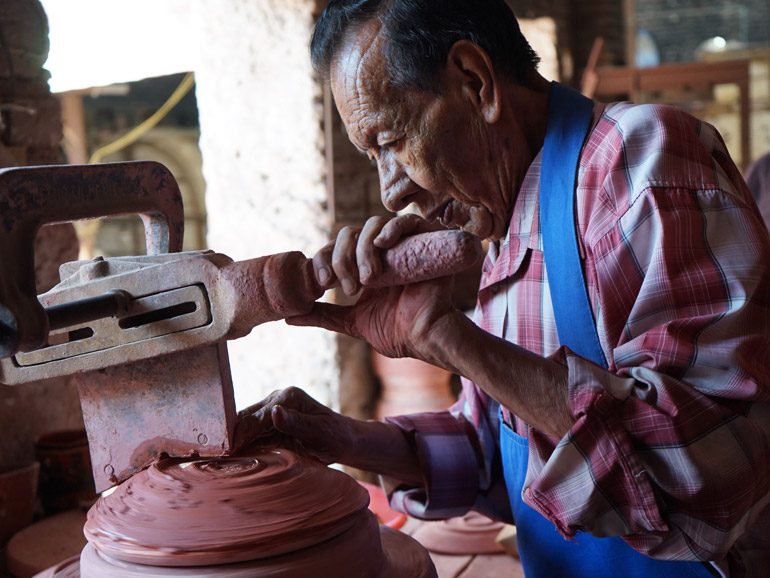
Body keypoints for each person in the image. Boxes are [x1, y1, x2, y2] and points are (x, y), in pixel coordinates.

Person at [235, 1, 770, 576]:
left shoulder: (641, 165)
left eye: (390, 140)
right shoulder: (508, 229)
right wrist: (340, 438)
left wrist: (451, 341)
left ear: (476, 83)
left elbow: (712, 478)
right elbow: (497, 449)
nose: (391, 193)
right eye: (372, 158)